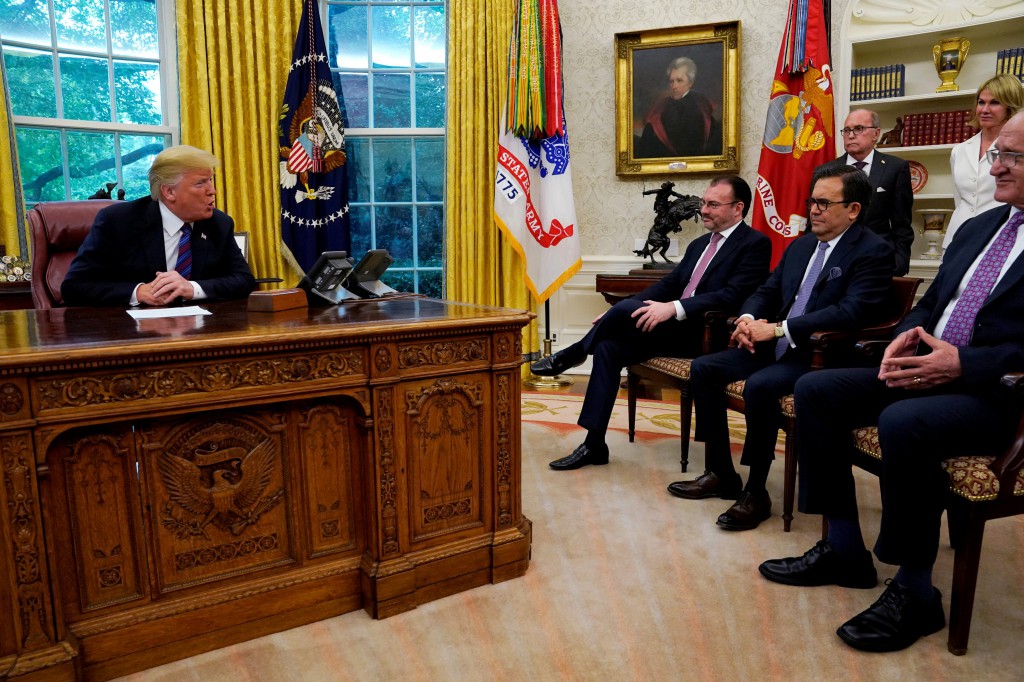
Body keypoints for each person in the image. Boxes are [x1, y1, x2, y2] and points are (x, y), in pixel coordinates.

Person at [758, 110, 1024, 653]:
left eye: (1011, 157)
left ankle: (915, 590)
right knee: (816, 391)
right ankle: (844, 548)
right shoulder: (979, 227)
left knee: (904, 422)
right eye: (997, 154)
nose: (995, 166)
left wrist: (963, 363)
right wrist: (907, 335)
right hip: (928, 367)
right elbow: (932, 301)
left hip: (999, 392)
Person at [668, 165, 892, 530]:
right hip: (776, 345)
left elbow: (849, 312)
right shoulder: (801, 245)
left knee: (760, 386)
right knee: (705, 369)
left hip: (820, 355)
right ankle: (721, 472)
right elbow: (768, 290)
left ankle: (756, 491)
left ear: (853, 209)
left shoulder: (873, 251)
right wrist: (746, 319)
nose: (813, 210)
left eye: (824, 203)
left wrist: (776, 329)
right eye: (811, 202)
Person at [531, 176, 771, 470]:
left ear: (738, 208)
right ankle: (594, 445)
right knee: (607, 348)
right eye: (704, 203)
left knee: (621, 312)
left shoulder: (755, 244)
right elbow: (669, 284)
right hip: (672, 332)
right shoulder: (699, 244)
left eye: (713, 204)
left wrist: (674, 308)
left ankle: (574, 353)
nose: (703, 210)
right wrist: (618, 313)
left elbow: (733, 294)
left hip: (706, 335)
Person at [62, 145, 256, 307]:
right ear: (169, 192)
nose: (212, 191)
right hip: (132, 331)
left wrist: (192, 288)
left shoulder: (218, 223)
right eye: (200, 183)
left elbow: (244, 280)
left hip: (198, 329)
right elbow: (74, 287)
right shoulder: (118, 221)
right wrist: (139, 292)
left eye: (210, 180)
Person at [818, 109, 914, 276]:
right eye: (846, 130)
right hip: (833, 260)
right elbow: (816, 220)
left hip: (878, 260)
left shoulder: (896, 168)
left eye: (858, 129)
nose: (851, 135)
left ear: (876, 134)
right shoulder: (826, 171)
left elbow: (902, 224)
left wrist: (900, 263)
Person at [943, 74, 1024, 248]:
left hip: (1000, 237)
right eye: (981, 102)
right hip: (957, 238)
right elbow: (959, 201)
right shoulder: (959, 150)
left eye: (994, 103)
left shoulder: (1017, 150)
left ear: (1010, 106)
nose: (985, 109)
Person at [635, 57, 720, 158]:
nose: (674, 86)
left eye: (679, 81)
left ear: (690, 83)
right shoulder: (661, 106)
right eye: (671, 81)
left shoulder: (701, 107)